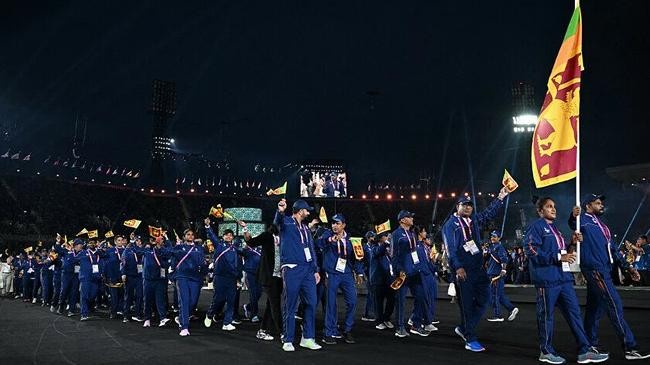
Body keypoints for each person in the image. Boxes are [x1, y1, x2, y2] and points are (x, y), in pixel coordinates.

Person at [525, 197, 608, 364]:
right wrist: (558, 257)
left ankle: (585, 350)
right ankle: (546, 351)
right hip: (547, 280)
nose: (553, 209)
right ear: (540, 211)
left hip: (563, 279)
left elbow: (564, 253)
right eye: (549, 207)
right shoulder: (536, 227)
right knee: (546, 316)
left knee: (575, 314)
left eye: (554, 206)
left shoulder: (555, 229)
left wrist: (572, 243)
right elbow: (530, 249)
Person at [569, 195, 650, 360]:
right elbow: (572, 224)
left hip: (604, 269)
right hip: (595, 269)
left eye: (601, 203)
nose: (601, 205)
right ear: (587, 205)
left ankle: (589, 344)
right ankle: (630, 347)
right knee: (615, 305)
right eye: (597, 203)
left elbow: (613, 249)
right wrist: (573, 216)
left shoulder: (604, 227)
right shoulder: (582, 220)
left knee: (594, 309)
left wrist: (628, 268)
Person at [442, 188, 508, 352]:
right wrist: (458, 267)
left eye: (470, 205)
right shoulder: (450, 225)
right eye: (464, 205)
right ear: (458, 206)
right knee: (467, 304)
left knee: (484, 299)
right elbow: (450, 248)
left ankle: (464, 328)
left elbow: (488, 214)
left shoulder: (473, 221)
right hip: (463, 269)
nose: (468, 208)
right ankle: (470, 338)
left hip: (478, 268)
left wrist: (500, 197)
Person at [274, 198, 322, 352]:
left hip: (307, 269)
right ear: (300, 210)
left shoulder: (306, 229)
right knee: (290, 305)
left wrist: (315, 269)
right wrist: (280, 211)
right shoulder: (286, 222)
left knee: (311, 303)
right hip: (292, 268)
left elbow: (311, 249)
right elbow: (276, 224)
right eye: (306, 210)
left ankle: (307, 338)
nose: (308, 212)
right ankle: (287, 339)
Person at [317, 213, 364, 345]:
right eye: (333, 223)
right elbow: (318, 243)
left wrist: (359, 273)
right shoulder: (327, 235)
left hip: (347, 274)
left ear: (343, 225)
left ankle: (347, 329)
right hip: (332, 273)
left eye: (337, 223)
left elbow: (358, 258)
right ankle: (328, 332)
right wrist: (330, 240)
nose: (334, 226)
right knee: (331, 303)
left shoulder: (353, 240)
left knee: (353, 301)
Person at [391, 210, 431, 338]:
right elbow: (393, 254)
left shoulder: (412, 234)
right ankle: (400, 327)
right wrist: (398, 269)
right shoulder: (396, 234)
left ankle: (416, 324)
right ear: (402, 220)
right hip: (403, 272)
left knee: (421, 296)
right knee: (401, 300)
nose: (412, 219)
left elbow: (414, 252)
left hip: (415, 270)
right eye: (409, 217)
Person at [242, 222, 283, 341]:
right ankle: (283, 332)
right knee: (275, 304)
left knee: (271, 304)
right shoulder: (267, 236)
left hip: (280, 276)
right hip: (268, 276)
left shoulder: (285, 238)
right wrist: (245, 228)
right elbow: (250, 242)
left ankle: (263, 330)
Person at [204, 222, 244, 332]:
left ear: (233, 238)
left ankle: (227, 322)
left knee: (231, 300)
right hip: (220, 276)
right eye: (226, 235)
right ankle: (210, 314)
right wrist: (208, 227)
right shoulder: (219, 245)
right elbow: (212, 236)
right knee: (218, 299)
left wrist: (238, 278)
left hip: (231, 278)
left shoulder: (235, 248)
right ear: (223, 236)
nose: (229, 236)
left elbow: (242, 257)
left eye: (230, 235)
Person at [173, 228, 208, 336]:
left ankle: (181, 317)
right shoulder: (178, 247)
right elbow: (173, 261)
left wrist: (204, 274)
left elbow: (203, 263)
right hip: (182, 277)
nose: (190, 236)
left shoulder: (199, 249)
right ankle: (184, 326)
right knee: (184, 300)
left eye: (192, 235)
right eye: (188, 234)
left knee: (192, 302)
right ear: (184, 237)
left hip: (195, 278)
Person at [486, 230, 519, 322]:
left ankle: (498, 315)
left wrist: (503, 270)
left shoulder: (500, 247)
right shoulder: (493, 247)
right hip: (492, 273)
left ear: (499, 238)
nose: (492, 238)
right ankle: (511, 309)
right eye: (492, 236)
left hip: (496, 275)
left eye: (495, 236)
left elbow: (504, 260)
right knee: (499, 295)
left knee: (495, 295)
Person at [142, 235, 172, 328]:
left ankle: (162, 318)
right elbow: (136, 250)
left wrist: (167, 239)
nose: (159, 241)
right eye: (158, 240)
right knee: (147, 299)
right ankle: (147, 319)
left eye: (161, 240)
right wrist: (131, 241)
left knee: (160, 299)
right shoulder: (148, 251)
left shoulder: (164, 251)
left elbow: (170, 251)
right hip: (148, 279)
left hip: (160, 279)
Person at [70, 239, 105, 321]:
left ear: (96, 243)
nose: (92, 244)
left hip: (96, 278)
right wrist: (73, 251)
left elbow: (106, 255)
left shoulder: (98, 253)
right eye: (90, 243)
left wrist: (101, 248)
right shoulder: (83, 252)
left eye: (94, 242)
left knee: (92, 295)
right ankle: (84, 314)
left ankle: (87, 307)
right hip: (85, 277)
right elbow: (73, 260)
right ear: (88, 244)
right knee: (84, 296)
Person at [371, 232, 395, 330]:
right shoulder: (375, 248)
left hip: (389, 279)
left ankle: (386, 318)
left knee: (392, 300)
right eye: (385, 236)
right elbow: (378, 251)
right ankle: (379, 320)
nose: (387, 238)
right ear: (381, 238)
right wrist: (386, 243)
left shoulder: (388, 251)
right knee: (378, 302)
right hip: (378, 280)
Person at [54, 239, 82, 316]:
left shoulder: (82, 253)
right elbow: (57, 249)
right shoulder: (67, 251)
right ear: (75, 246)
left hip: (76, 275)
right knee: (64, 291)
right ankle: (61, 306)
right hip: (66, 274)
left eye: (81, 245)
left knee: (74, 292)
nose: (81, 247)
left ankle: (71, 310)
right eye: (80, 245)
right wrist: (58, 242)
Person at [121, 235, 145, 323]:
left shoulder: (142, 251)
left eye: (140, 241)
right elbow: (123, 262)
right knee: (128, 296)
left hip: (139, 276)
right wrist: (123, 273)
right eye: (137, 241)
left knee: (139, 295)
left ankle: (137, 314)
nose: (139, 242)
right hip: (130, 276)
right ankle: (126, 315)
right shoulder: (127, 250)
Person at [104, 235, 126, 319]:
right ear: (115, 242)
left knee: (122, 294)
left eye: (121, 240)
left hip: (122, 275)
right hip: (113, 276)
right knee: (114, 296)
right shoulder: (110, 250)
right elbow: (106, 263)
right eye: (119, 240)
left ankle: (120, 309)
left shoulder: (125, 250)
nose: (120, 242)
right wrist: (106, 275)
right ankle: (113, 311)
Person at [361, 231, 377, 322]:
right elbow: (362, 261)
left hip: (374, 272)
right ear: (368, 238)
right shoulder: (365, 248)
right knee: (371, 294)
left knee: (373, 294)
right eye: (372, 237)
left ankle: (371, 313)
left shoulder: (374, 247)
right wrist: (362, 273)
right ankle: (368, 314)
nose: (374, 238)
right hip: (368, 273)